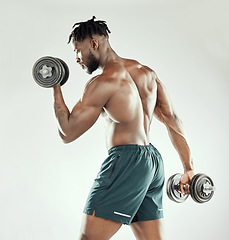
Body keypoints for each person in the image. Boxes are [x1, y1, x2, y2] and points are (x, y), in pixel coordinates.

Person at [53, 16, 195, 240]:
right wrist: (188, 167)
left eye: (77, 50)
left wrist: (55, 86)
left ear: (94, 44)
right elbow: (172, 119)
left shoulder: (103, 82)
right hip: (152, 162)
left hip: (126, 161)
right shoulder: (146, 73)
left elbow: (67, 133)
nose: (77, 59)